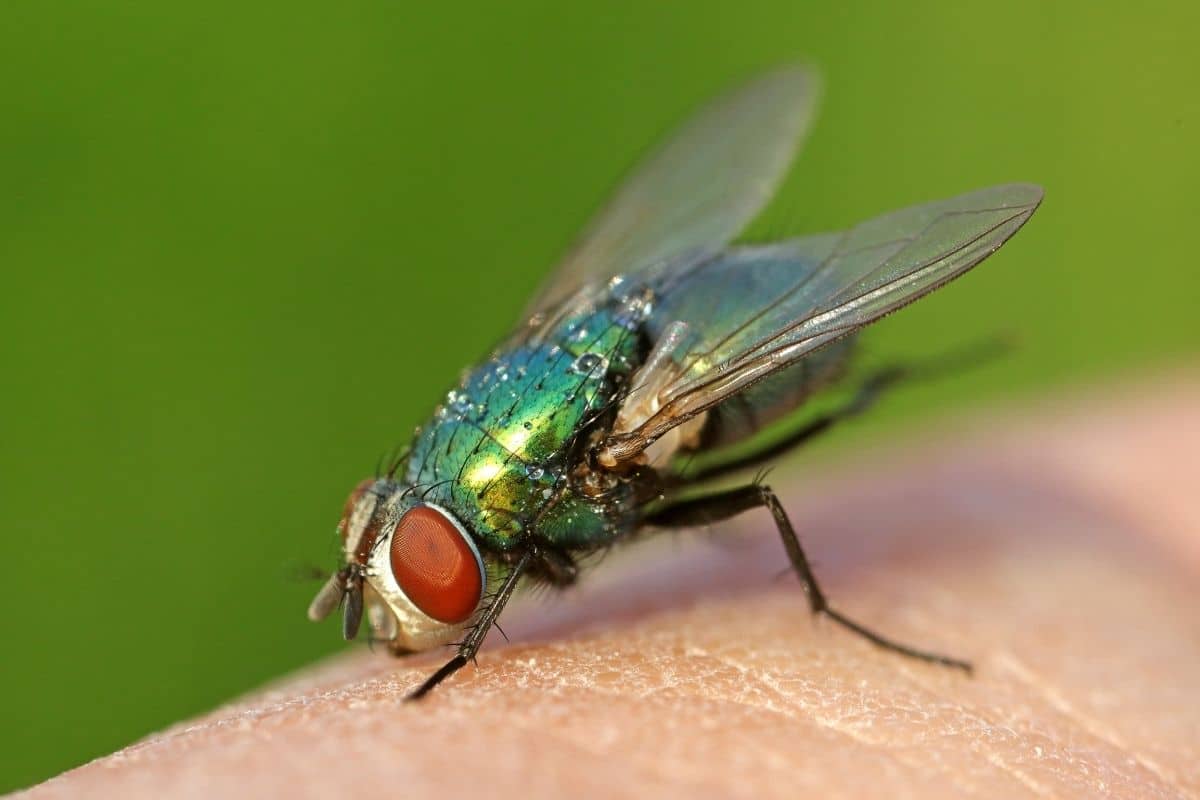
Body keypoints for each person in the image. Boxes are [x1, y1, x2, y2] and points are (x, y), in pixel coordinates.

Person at [23, 378, 1200, 799]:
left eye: (408, 560)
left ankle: (832, 596)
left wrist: (468, 645)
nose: (389, 588)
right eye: (384, 551)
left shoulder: (556, 484)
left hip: (668, 387)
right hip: (599, 371)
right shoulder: (468, 489)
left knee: (761, 475)